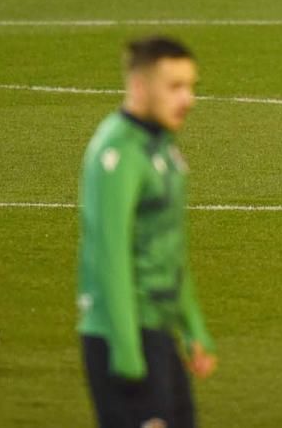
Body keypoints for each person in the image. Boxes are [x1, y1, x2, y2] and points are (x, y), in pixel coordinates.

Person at [77, 36, 217, 428]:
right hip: (121, 334)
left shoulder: (163, 150)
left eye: (191, 86)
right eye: (175, 87)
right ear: (139, 87)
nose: (188, 99)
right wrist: (125, 348)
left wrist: (192, 327)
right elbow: (110, 256)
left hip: (157, 330)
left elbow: (169, 249)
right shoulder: (117, 154)